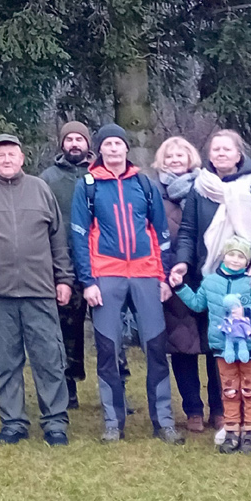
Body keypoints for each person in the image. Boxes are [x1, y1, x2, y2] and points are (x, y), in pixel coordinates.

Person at [0, 134, 73, 446]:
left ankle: (55, 422)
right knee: (5, 360)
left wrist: (64, 279)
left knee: (48, 358)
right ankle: (13, 421)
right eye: (0, 155)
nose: (6, 159)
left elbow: (58, 239)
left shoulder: (40, 188)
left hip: (39, 289)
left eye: (12, 154)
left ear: (22, 159)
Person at [169, 128, 251, 445]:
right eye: (215, 149)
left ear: (239, 154)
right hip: (213, 279)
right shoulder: (200, 188)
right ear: (209, 155)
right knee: (222, 350)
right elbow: (188, 231)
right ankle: (231, 419)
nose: (220, 153)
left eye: (227, 149)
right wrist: (183, 262)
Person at [70, 124, 182, 444]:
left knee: (156, 348)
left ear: (126, 149)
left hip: (146, 274)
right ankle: (112, 422)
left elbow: (160, 233)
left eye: (118, 143)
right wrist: (88, 282)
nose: (114, 149)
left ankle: (163, 421)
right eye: (107, 144)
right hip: (106, 274)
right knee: (108, 349)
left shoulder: (145, 184)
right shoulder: (88, 186)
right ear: (100, 150)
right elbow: (78, 237)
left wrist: (163, 277)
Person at [170, 237, 251, 453]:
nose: (235, 260)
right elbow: (198, 304)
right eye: (231, 254)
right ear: (223, 256)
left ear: (248, 261)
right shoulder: (210, 282)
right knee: (229, 390)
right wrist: (180, 287)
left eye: (241, 256)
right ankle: (231, 430)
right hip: (222, 348)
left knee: (250, 390)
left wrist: (247, 312)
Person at [151, 136, 208, 433]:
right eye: (169, 156)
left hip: (210, 275)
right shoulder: (154, 193)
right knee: (182, 346)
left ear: (190, 158)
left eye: (180, 155)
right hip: (174, 277)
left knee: (215, 345)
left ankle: (220, 408)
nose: (175, 160)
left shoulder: (208, 188)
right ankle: (193, 409)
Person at [39, 120, 93, 407]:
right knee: (65, 327)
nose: (74, 144)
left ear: (87, 144)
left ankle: (116, 389)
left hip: (100, 261)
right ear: (61, 144)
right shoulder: (48, 178)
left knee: (108, 330)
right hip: (63, 262)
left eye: (79, 139)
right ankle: (67, 387)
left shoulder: (99, 173)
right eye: (69, 139)